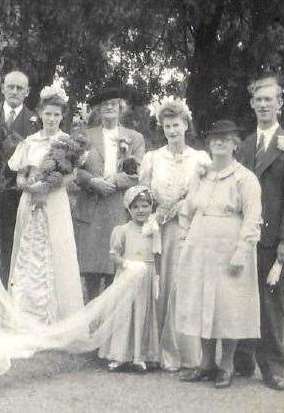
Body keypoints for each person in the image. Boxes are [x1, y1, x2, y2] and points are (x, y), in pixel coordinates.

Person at [233, 75, 284, 391]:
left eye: (270, 99)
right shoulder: (245, 145)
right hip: (243, 236)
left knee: (271, 300)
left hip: (273, 237)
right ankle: (241, 360)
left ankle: (273, 366)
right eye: (258, 100)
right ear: (252, 104)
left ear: (280, 103)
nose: (264, 105)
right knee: (240, 296)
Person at [175, 120, 262, 389]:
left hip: (229, 246)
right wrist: (184, 236)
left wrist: (242, 251)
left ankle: (227, 365)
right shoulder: (201, 175)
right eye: (214, 139)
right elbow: (187, 208)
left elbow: (253, 218)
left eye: (225, 138)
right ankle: (206, 363)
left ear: (236, 144)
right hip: (199, 244)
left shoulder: (245, 178)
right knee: (201, 301)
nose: (219, 142)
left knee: (228, 305)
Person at [139, 97, 207, 371]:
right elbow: (141, 195)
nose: (172, 130)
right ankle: (153, 350)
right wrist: (153, 215)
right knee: (159, 285)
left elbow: (204, 195)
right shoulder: (153, 158)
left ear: (186, 125)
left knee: (181, 285)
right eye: (167, 126)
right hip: (158, 229)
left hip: (186, 229)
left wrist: (181, 206)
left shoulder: (200, 159)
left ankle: (181, 352)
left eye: (176, 125)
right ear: (162, 128)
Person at [6, 86, 83, 323]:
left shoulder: (67, 143)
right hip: (29, 201)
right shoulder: (29, 142)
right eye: (48, 114)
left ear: (62, 117)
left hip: (55, 203)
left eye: (56, 115)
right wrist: (30, 186)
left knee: (55, 251)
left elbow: (73, 176)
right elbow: (19, 176)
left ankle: (54, 317)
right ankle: (23, 313)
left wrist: (48, 187)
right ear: (40, 114)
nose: (51, 119)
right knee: (27, 252)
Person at [72, 87, 145, 301]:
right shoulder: (85, 135)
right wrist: (92, 181)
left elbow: (139, 172)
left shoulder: (135, 138)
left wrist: (114, 180)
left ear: (121, 107)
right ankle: (91, 323)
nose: (109, 106)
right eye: (104, 104)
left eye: (113, 102)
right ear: (98, 109)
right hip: (92, 209)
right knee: (92, 273)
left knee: (116, 270)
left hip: (118, 209)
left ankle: (113, 325)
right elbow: (73, 168)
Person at [0, 71, 38, 288]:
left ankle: (5, 295)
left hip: (17, 194)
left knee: (10, 247)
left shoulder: (36, 123)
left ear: (27, 92)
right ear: (2, 88)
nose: (14, 91)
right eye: (10, 86)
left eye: (20, 88)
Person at [98, 185, 160, 373]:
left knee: (143, 314)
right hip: (128, 276)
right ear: (129, 209)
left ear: (151, 207)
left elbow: (157, 254)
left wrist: (156, 276)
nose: (141, 211)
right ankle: (119, 355)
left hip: (146, 277)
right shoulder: (122, 230)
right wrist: (126, 264)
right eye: (136, 207)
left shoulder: (154, 229)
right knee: (124, 314)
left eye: (145, 206)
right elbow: (114, 254)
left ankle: (139, 356)